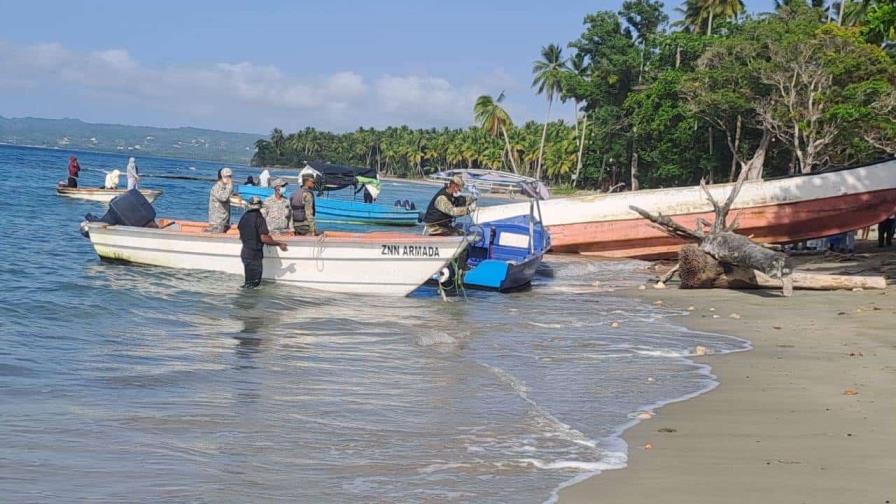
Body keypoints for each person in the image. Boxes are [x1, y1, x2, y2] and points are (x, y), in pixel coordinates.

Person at [238, 196, 288, 288]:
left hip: (245, 253)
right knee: (254, 284)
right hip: (254, 255)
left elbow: (241, 235)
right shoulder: (259, 219)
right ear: (260, 206)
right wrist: (279, 243)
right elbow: (264, 238)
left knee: (248, 282)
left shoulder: (244, 217)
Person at [208, 167, 234, 232]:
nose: (229, 179)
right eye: (227, 176)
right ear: (221, 177)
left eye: (230, 176)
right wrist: (230, 186)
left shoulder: (225, 188)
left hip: (223, 221)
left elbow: (228, 197)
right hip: (217, 222)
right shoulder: (217, 187)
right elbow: (223, 198)